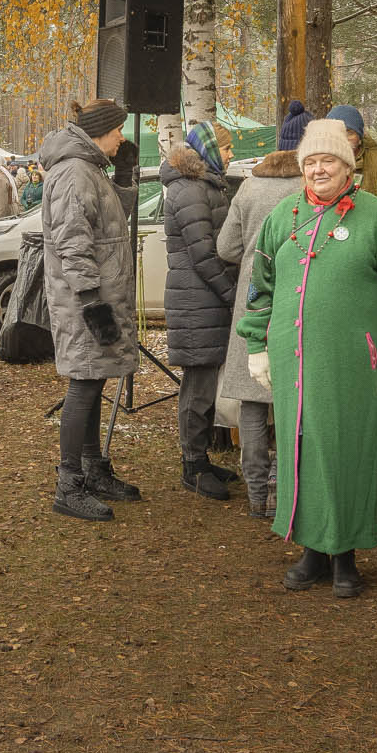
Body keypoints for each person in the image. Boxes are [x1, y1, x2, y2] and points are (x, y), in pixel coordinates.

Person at [238, 120, 377, 597]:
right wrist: (256, 345)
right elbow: (260, 288)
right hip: (292, 358)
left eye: (329, 161)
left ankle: (346, 554)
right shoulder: (283, 216)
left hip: (352, 361)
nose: (319, 169)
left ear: (348, 166)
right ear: (302, 167)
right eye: (311, 161)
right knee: (301, 449)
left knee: (347, 451)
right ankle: (311, 550)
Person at [39, 99, 143, 520]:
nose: (122, 136)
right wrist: (91, 303)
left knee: (95, 378)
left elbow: (116, 218)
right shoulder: (73, 173)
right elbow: (73, 246)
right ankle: (69, 485)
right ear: (101, 129)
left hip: (98, 297)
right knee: (83, 384)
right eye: (118, 129)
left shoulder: (91, 168)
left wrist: (122, 173)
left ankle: (93, 468)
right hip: (85, 302)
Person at [215, 147, 302, 517]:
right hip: (296, 295)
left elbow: (226, 247)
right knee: (291, 398)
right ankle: (284, 491)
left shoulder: (248, 188)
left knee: (251, 399)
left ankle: (255, 495)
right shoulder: (306, 190)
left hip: (252, 298)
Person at [161, 122, 238, 500]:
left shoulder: (202, 185)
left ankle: (202, 459)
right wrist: (232, 294)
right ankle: (192, 466)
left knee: (205, 384)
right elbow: (205, 255)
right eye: (226, 148)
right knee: (198, 386)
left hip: (202, 300)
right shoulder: (190, 190)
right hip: (198, 301)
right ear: (208, 150)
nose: (230, 154)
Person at [325, 105, 377, 213]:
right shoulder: (318, 162)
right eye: (336, 133)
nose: (342, 139)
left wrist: (374, 225)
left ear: (360, 137)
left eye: (349, 132)